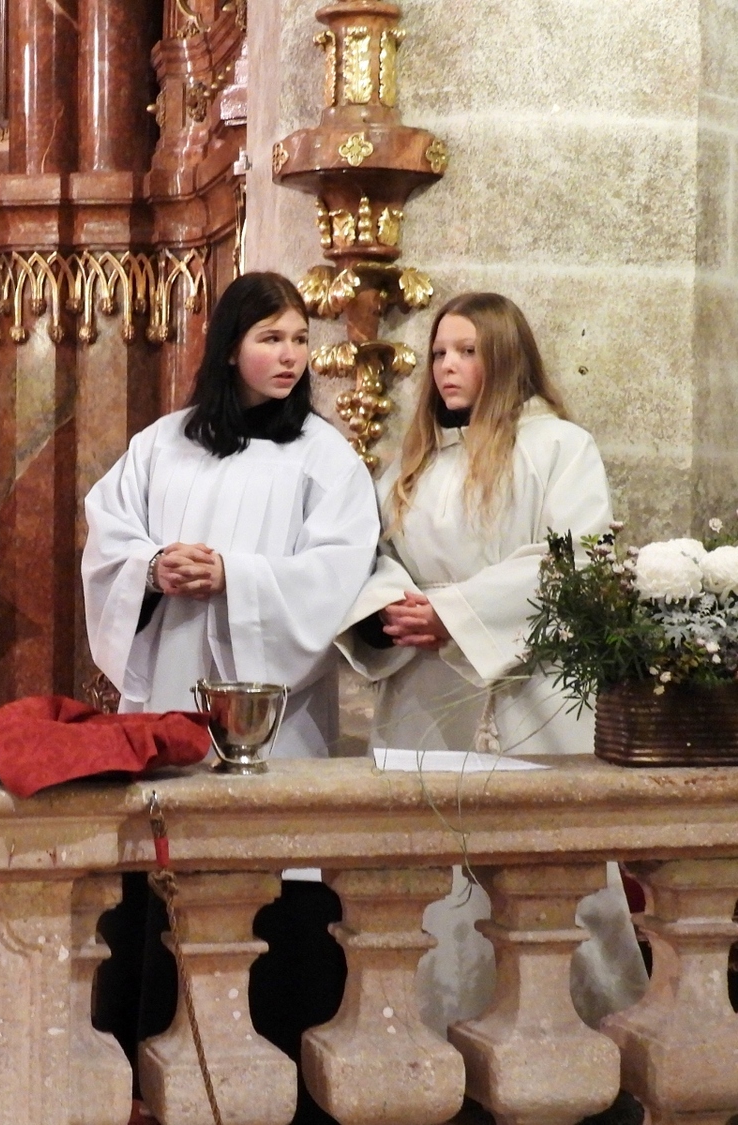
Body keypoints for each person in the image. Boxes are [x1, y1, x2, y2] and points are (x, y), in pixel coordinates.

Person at [81, 272, 380, 1124]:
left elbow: (340, 572)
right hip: (172, 701)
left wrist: (236, 576)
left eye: (300, 339)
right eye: (270, 338)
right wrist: (151, 567)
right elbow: (107, 536)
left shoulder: (324, 456)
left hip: (279, 722)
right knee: (164, 887)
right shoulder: (163, 444)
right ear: (228, 348)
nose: (291, 356)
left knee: (270, 887)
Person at [335, 291, 646, 1030]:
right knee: (431, 882)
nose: (447, 366)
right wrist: (393, 609)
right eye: (440, 352)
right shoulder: (414, 465)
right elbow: (371, 556)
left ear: (504, 357)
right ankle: (429, 1032)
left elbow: (575, 561)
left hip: (530, 696)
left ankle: (571, 1031)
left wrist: (458, 613)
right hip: (425, 695)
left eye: (467, 351)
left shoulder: (559, 447)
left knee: (548, 877)